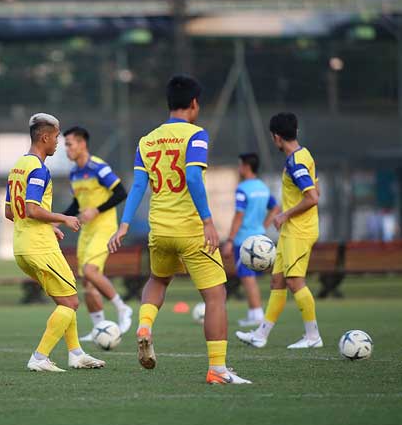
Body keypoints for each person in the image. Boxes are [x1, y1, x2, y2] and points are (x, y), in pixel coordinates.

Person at [109, 75, 251, 384]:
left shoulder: (147, 140)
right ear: (195, 104)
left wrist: (123, 225)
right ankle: (217, 369)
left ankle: (145, 326)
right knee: (215, 295)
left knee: (158, 279)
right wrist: (208, 221)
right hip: (189, 230)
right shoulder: (197, 135)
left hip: (159, 229)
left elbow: (137, 187)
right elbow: (194, 179)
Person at [6, 113, 105, 372]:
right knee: (72, 302)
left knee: (65, 300)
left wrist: (49, 226)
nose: (58, 143)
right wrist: (63, 218)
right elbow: (31, 208)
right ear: (44, 137)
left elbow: (10, 212)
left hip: (22, 247)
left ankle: (76, 354)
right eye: (57, 137)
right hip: (40, 248)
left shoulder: (18, 166)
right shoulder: (39, 169)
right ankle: (39, 357)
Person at [236, 112, 322, 349]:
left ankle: (313, 336)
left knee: (295, 282)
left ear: (276, 137)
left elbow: (313, 198)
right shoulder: (304, 156)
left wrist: (285, 215)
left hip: (299, 231)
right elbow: (317, 191)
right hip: (291, 231)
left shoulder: (296, 162)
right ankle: (261, 335)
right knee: (277, 281)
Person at [61, 126, 131, 340]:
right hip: (87, 231)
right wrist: (59, 219)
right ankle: (99, 328)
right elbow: (77, 203)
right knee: (87, 283)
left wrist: (97, 210)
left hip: (104, 228)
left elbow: (121, 192)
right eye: (65, 145)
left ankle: (122, 308)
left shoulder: (98, 167)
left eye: (69, 144)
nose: (66, 149)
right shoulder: (74, 172)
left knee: (91, 271)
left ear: (82, 144)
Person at [221, 153, 280, 327]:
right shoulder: (262, 187)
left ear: (246, 166)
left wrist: (230, 240)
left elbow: (239, 215)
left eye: (240, 165)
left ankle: (256, 314)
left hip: (244, 240)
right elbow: (275, 207)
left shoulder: (243, 189)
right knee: (250, 277)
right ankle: (254, 313)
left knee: (247, 277)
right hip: (260, 237)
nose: (239, 168)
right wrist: (264, 226)